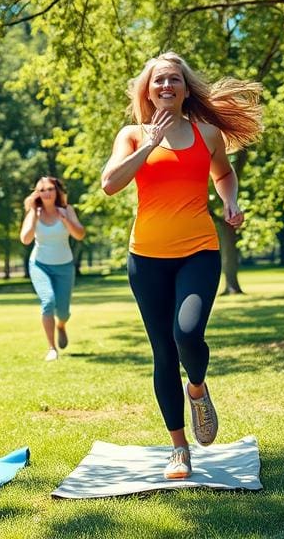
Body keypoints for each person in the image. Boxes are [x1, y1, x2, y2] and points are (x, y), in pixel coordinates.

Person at [100, 51, 262, 480]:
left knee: (187, 334)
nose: (166, 86)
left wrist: (230, 200)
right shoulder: (132, 135)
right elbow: (110, 184)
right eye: (158, 81)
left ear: (186, 89)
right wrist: (150, 145)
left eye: (174, 79)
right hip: (146, 258)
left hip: (199, 251)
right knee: (163, 351)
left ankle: (198, 388)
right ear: (147, 91)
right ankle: (179, 448)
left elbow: (224, 174)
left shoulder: (207, 133)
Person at [19, 176, 85, 361]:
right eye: (42, 190)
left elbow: (79, 235)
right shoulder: (34, 212)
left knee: (63, 311)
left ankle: (61, 325)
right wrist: (32, 212)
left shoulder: (67, 210)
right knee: (48, 301)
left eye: (50, 189)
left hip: (65, 266)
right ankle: (52, 348)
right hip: (40, 265)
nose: (46, 193)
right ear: (37, 193)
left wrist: (66, 221)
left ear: (56, 191)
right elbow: (25, 239)